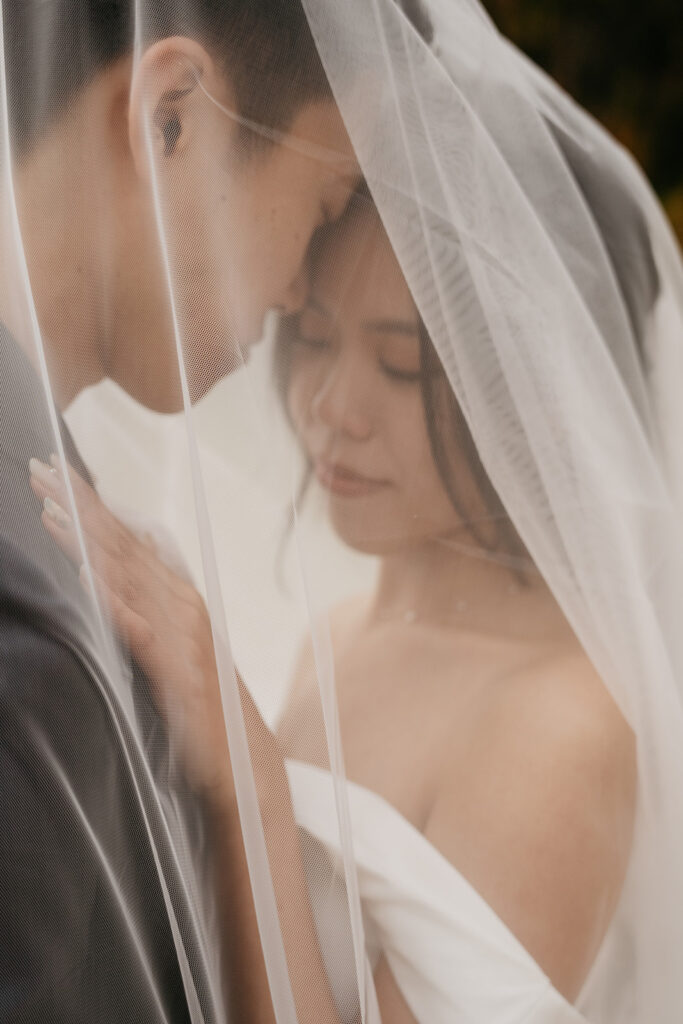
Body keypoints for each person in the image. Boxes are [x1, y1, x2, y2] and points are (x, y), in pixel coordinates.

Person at [29, 191, 641, 1022]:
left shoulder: (560, 727)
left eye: (401, 368)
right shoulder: (341, 628)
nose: (330, 409)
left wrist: (251, 784)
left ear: (535, 396)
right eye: (313, 339)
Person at [0, 1, 361, 1019]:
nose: (301, 292)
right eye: (325, 207)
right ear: (172, 119)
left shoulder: (64, 508)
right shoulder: (34, 622)